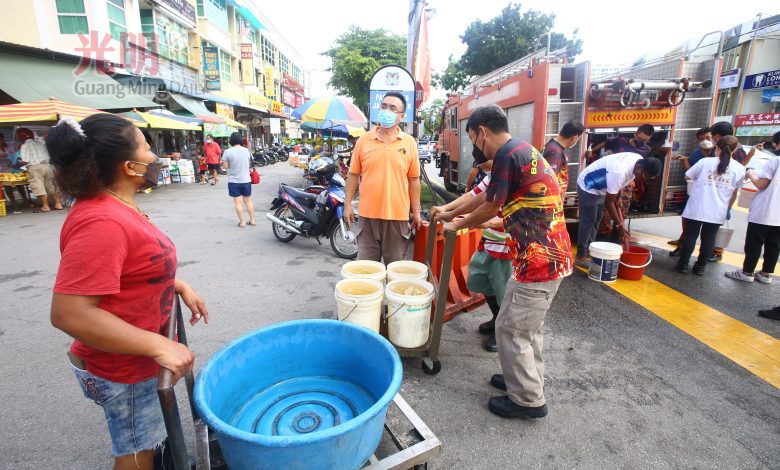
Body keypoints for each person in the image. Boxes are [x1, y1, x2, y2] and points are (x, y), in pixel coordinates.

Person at [47, 114, 209, 470]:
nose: (155, 157)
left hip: (134, 359)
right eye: (148, 148)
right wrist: (159, 344)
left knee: (146, 440)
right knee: (137, 450)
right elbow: (69, 313)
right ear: (129, 165)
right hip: (124, 367)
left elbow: (133, 270)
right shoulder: (101, 221)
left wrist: (176, 284)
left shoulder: (117, 206)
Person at [441, 105, 572, 419]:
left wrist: (456, 224)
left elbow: (488, 210)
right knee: (522, 329)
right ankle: (522, 379)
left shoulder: (506, 156)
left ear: (482, 132)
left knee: (513, 331)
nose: (475, 146)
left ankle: (528, 400)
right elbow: (486, 198)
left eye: (473, 138)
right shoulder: (521, 151)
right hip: (536, 258)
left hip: (541, 261)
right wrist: (450, 213)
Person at [431, 158, 515, 352]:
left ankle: (503, 333)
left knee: (504, 293)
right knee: (479, 278)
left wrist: (483, 222)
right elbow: (473, 195)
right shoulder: (492, 177)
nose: (481, 164)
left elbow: (514, 216)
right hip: (489, 241)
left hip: (506, 246)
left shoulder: (513, 178)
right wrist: (447, 209)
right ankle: (497, 319)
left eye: (485, 159)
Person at [344, 91, 422, 264]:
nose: (386, 110)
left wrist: (416, 213)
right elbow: (353, 174)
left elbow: (414, 180)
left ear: (401, 116)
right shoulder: (364, 140)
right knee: (366, 273)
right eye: (384, 106)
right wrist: (347, 204)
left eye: (392, 108)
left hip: (398, 218)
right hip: (367, 217)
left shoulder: (409, 143)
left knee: (395, 273)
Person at [575, 153, 662, 267]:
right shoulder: (619, 171)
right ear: (639, 167)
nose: (644, 179)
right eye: (645, 176)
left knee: (597, 219)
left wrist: (619, 196)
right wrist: (619, 225)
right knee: (589, 221)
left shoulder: (638, 160)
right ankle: (580, 256)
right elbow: (609, 201)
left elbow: (619, 183)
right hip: (588, 185)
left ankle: (590, 250)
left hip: (602, 187)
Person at [675, 136, 746, 275]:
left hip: (697, 205)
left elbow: (687, 176)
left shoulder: (705, 162)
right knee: (709, 238)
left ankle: (683, 265)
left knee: (690, 235)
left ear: (716, 147)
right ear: (735, 149)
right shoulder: (740, 169)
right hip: (718, 209)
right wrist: (728, 208)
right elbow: (734, 191)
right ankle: (700, 267)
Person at [725, 150, 780, 284]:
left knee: (754, 243)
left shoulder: (776, 161)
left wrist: (750, 173)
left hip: (766, 210)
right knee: (774, 244)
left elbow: (761, 184)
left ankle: (747, 272)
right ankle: (765, 274)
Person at [669, 127, 714, 255]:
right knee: (688, 224)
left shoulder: (719, 154)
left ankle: (709, 254)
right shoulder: (696, 153)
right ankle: (682, 248)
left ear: (714, 138)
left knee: (709, 230)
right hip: (694, 193)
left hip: (711, 196)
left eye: (708, 138)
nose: (705, 141)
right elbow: (690, 173)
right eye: (701, 139)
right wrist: (684, 161)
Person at [17, 128, 63, 212]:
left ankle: (45, 206)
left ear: (21, 136)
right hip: (47, 166)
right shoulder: (41, 143)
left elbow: (25, 161)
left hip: (35, 168)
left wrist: (19, 163)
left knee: (38, 186)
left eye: (18, 135)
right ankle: (58, 203)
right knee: (51, 185)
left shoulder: (24, 146)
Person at [541, 120, 585, 195]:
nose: (577, 141)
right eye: (578, 139)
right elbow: (550, 179)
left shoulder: (552, 145)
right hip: (552, 198)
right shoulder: (556, 151)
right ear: (574, 138)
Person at [222, 132, 255, 228]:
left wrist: (226, 162)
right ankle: (252, 220)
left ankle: (242, 222)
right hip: (246, 180)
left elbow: (226, 167)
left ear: (231, 141)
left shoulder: (227, 152)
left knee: (237, 202)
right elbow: (248, 163)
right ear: (241, 140)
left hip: (234, 181)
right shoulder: (247, 151)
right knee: (248, 200)